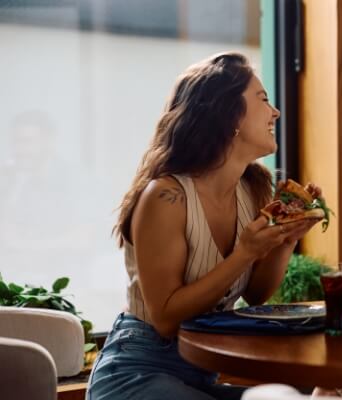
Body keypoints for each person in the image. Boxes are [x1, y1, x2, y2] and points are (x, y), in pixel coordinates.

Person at [87, 52, 322, 400]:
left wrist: (286, 240)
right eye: (263, 100)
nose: (275, 112)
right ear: (229, 116)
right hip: (137, 370)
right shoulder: (166, 197)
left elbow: (255, 295)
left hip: (200, 372)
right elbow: (166, 319)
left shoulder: (251, 188)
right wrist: (245, 253)